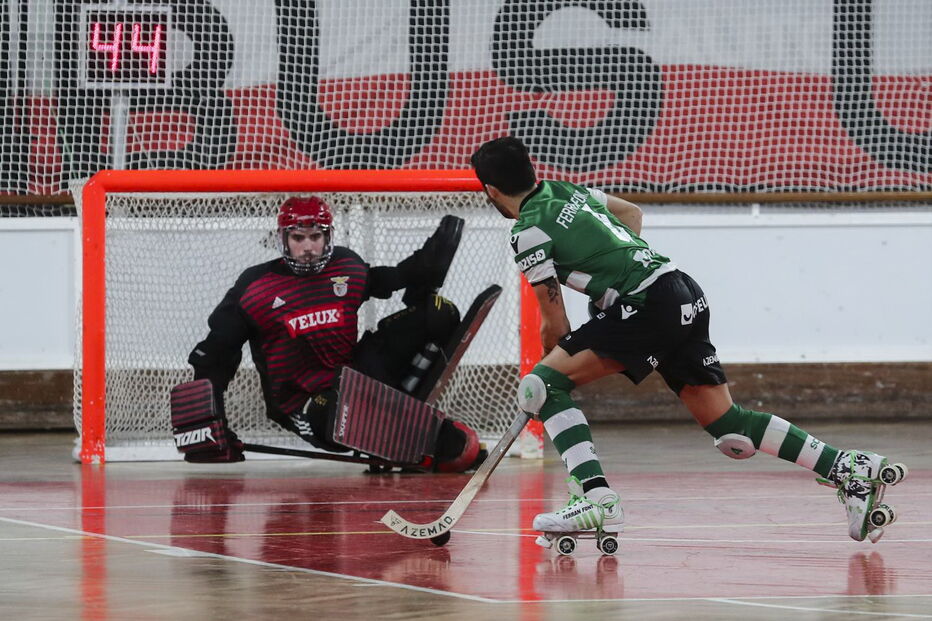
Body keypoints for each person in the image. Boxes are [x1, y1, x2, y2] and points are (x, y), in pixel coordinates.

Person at [470, 136, 907, 543]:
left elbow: (553, 320)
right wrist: (622, 279)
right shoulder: (568, 190)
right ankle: (849, 468)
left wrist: (553, 368)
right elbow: (631, 215)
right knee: (730, 427)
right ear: (531, 169)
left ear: (490, 190)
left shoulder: (526, 230)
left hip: (647, 306)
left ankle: (596, 499)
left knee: (543, 385)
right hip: (681, 290)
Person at [187, 196, 479, 471]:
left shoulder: (347, 266)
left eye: (315, 237)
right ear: (283, 239)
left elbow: (387, 278)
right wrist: (211, 424)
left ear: (328, 237)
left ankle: (408, 414)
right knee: (340, 411)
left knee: (440, 313)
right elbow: (215, 354)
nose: (308, 247)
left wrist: (426, 263)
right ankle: (415, 436)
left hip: (353, 379)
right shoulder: (256, 288)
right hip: (305, 403)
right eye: (298, 238)